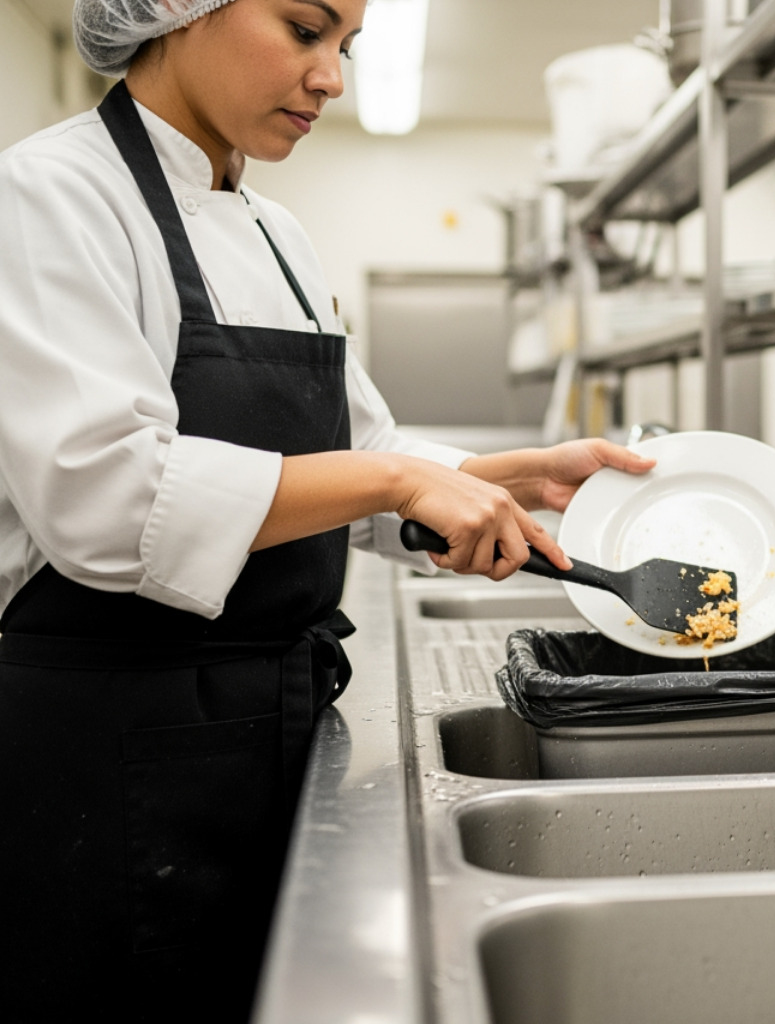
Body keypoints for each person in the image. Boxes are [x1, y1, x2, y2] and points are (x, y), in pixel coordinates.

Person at [0, 1, 653, 1019]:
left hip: (270, 731)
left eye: (346, 46)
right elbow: (108, 503)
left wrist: (504, 473)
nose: (331, 79)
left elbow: (358, 455)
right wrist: (395, 484)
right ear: (176, 10)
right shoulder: (49, 195)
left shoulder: (280, 235)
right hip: (109, 750)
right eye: (305, 29)